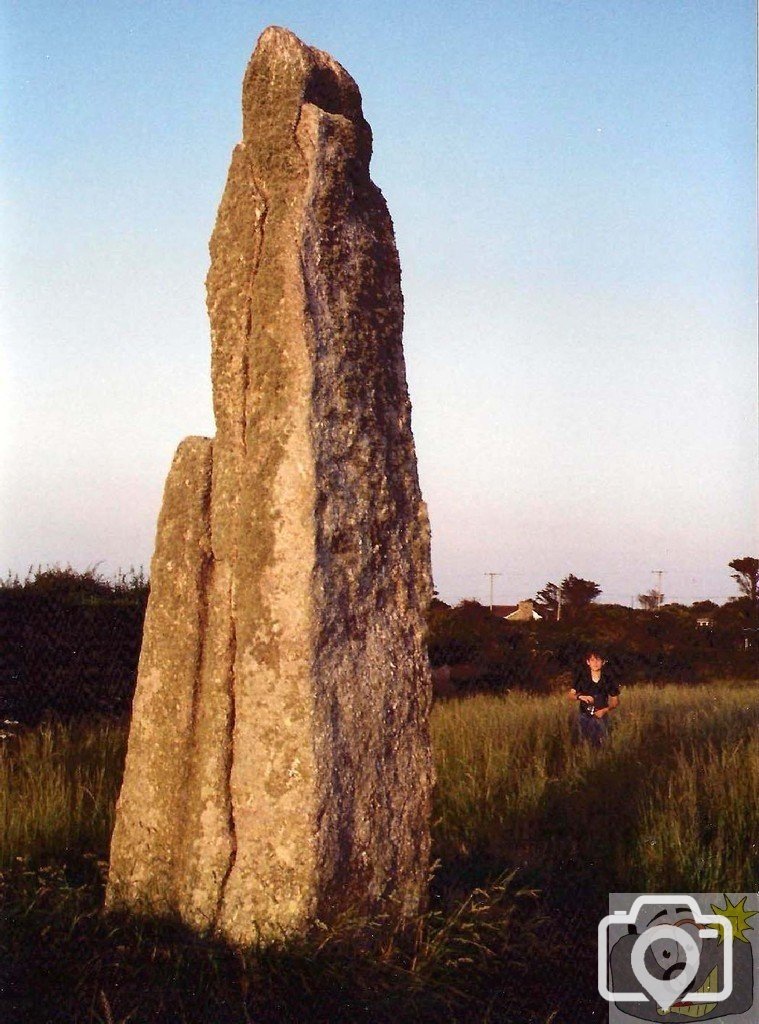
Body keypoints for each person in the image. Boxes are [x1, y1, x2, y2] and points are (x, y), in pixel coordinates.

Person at [568, 648, 619, 746]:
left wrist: (604, 710)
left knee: (603, 744)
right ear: (588, 662)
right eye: (592, 660)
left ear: (603, 662)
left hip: (601, 716)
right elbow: (570, 695)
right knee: (585, 743)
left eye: (598, 660)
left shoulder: (608, 679)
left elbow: (615, 701)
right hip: (584, 716)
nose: (595, 663)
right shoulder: (582, 678)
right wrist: (580, 697)